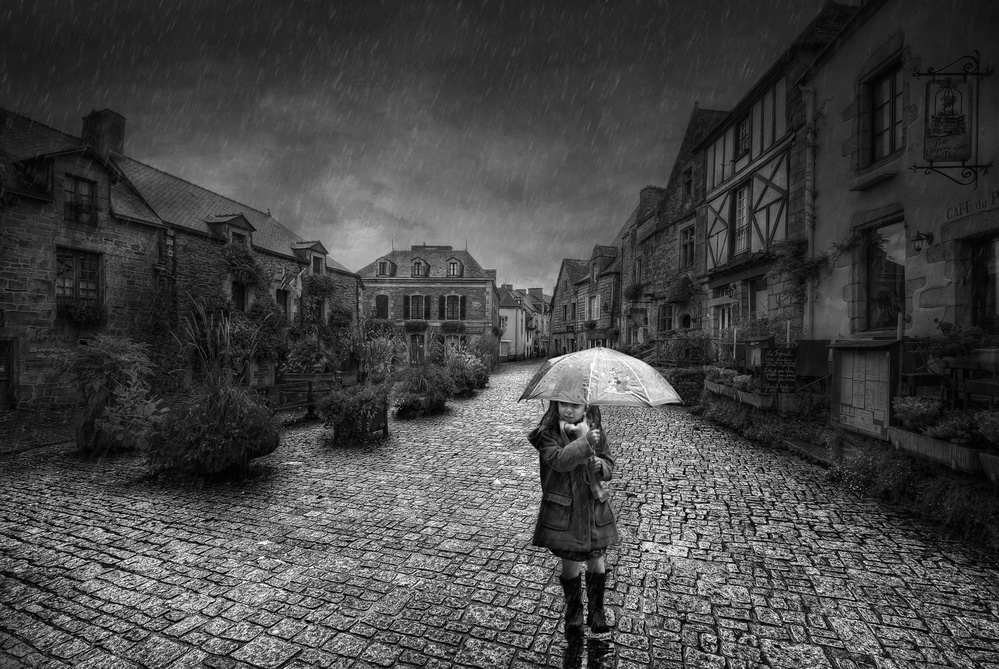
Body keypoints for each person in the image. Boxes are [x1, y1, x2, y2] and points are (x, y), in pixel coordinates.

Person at [528, 400, 619, 636]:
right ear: (555, 404)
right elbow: (559, 461)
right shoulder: (547, 433)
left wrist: (600, 465)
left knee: (597, 560)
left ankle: (597, 611)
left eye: (575, 405)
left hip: (593, 508)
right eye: (563, 404)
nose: (568, 410)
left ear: (586, 407)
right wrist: (584, 442)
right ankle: (574, 612)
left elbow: (609, 464)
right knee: (570, 563)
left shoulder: (595, 430)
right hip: (565, 512)